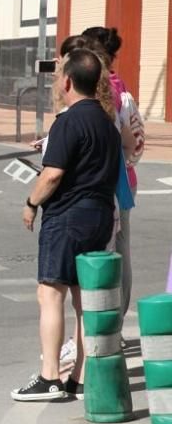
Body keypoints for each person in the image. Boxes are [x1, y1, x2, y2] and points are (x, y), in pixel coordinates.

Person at [11, 48, 121, 402]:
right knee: (82, 298)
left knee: (50, 293)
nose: (57, 81)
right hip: (100, 215)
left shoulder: (68, 121)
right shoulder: (107, 121)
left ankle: (49, 378)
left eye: (59, 75)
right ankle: (81, 376)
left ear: (69, 81)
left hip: (67, 216)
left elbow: (53, 173)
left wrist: (31, 203)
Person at [81, 26, 143, 320]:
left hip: (110, 182)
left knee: (109, 255)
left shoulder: (106, 88)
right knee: (120, 251)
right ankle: (112, 323)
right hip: (123, 180)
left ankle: (108, 326)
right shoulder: (119, 83)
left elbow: (119, 139)